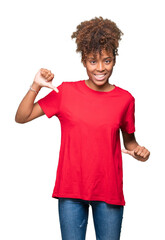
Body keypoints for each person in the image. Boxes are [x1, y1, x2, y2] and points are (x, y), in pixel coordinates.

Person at [15, 16, 150, 240]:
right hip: (70, 190)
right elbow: (22, 117)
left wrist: (140, 152)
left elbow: (130, 142)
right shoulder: (66, 93)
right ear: (84, 61)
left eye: (106, 61)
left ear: (114, 60)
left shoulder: (125, 99)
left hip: (109, 189)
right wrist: (36, 85)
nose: (100, 68)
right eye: (92, 61)